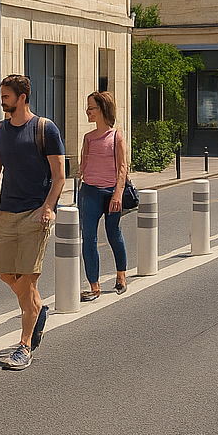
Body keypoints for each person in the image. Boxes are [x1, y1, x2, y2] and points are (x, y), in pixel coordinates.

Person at [0, 74, 65, 371]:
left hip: (35, 212)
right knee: (5, 272)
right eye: (2, 95)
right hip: (6, 211)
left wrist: (48, 207)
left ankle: (24, 345)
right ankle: (37, 310)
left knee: (28, 277)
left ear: (23, 97)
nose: (2, 101)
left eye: (7, 96)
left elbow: (60, 175)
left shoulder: (45, 129)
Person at [78, 91, 129, 301]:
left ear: (102, 110)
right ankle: (94, 285)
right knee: (88, 238)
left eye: (91, 107)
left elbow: (122, 167)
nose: (87, 111)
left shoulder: (116, 136)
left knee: (113, 233)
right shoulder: (88, 138)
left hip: (111, 193)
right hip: (89, 191)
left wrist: (118, 193)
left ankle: (121, 275)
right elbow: (83, 165)